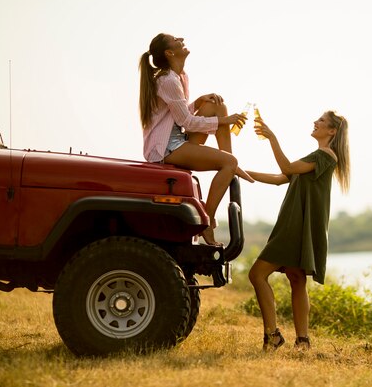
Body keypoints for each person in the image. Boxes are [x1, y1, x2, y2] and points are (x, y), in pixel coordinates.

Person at [247, 110, 350, 351]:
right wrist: (241, 171)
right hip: (298, 225)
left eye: (322, 121)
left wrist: (272, 137)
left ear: (332, 131)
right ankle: (302, 341)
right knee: (296, 278)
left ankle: (272, 336)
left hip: (296, 226)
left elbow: (286, 167)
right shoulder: (316, 157)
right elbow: (278, 178)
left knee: (257, 275)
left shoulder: (325, 155)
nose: (315, 122)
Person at [139, 33, 253, 245]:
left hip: (178, 139)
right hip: (165, 148)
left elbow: (177, 116)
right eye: (176, 40)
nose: (182, 39)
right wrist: (224, 121)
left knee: (216, 105)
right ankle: (206, 222)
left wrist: (199, 102)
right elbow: (187, 122)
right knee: (229, 163)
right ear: (169, 52)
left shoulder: (181, 77)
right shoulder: (168, 80)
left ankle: (229, 159)